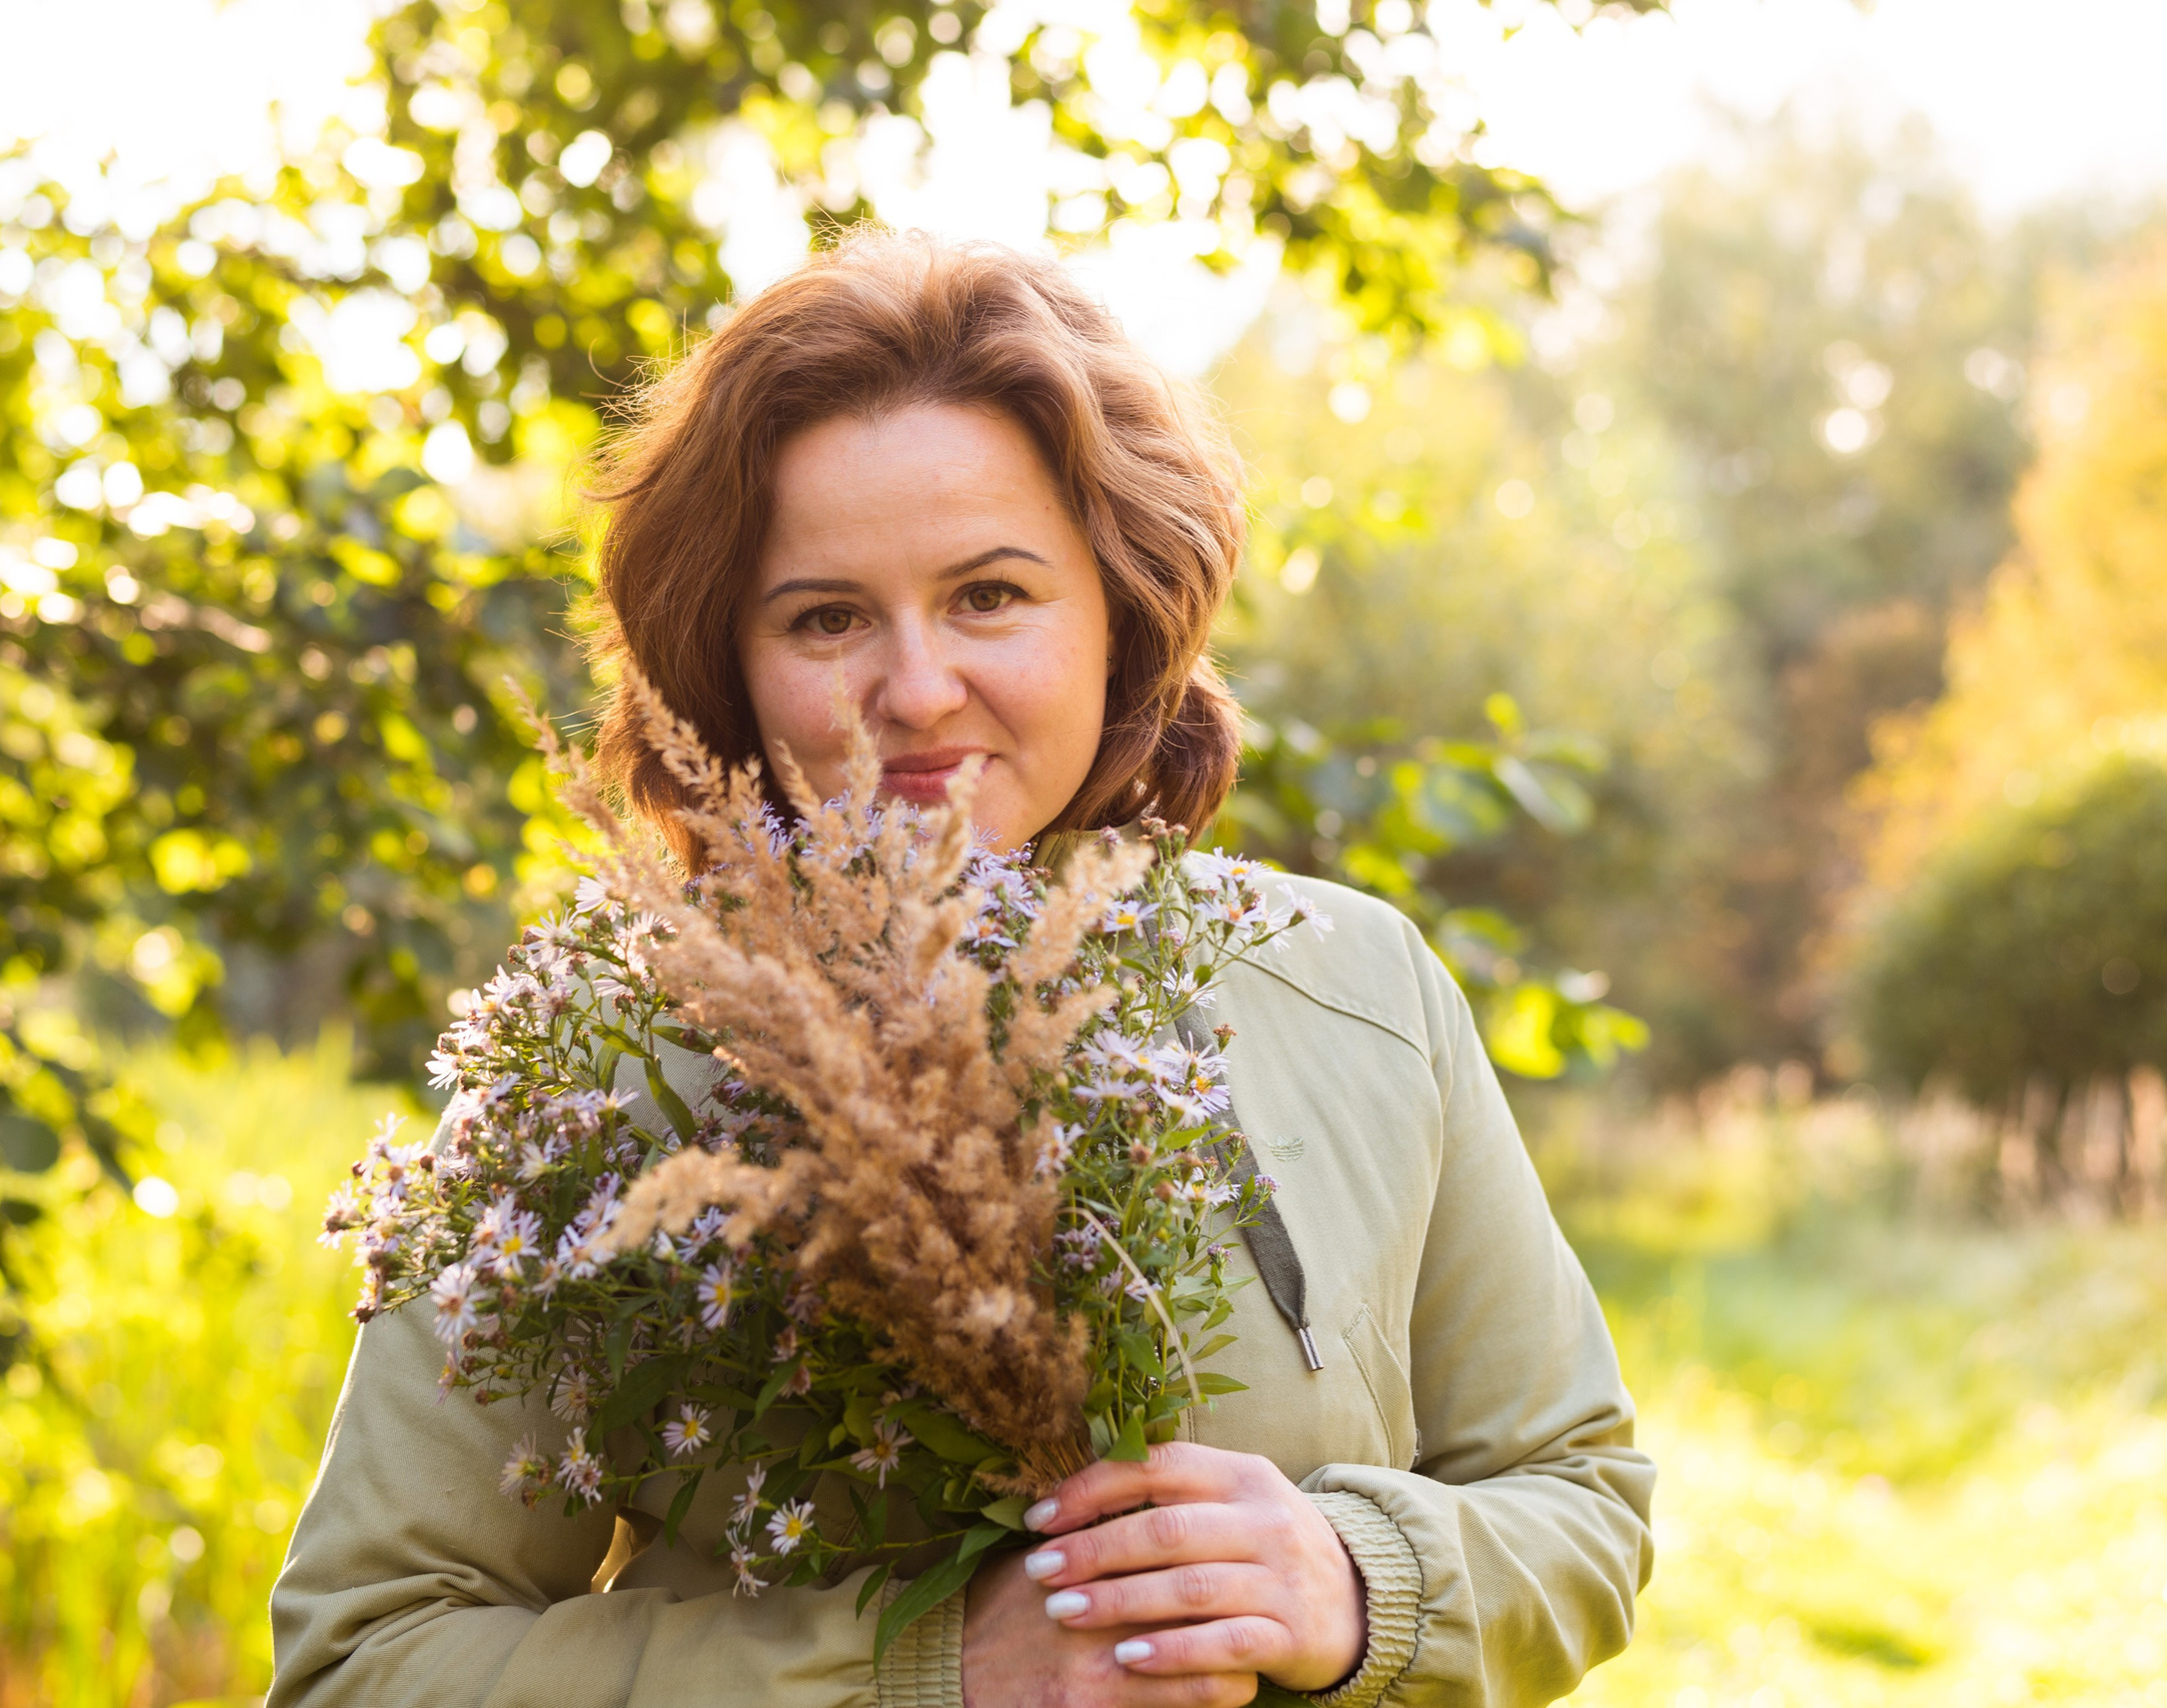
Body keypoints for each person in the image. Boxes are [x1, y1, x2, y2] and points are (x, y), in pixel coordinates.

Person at [266, 231, 1653, 1708]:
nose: (917, 691)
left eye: (991, 594)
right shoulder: (606, 1074)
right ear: (724, 659)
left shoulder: (1356, 983)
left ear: (1121, 604)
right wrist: (920, 1669)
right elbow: (368, 1656)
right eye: (827, 616)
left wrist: (1356, 1576)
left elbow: (1577, 1495)